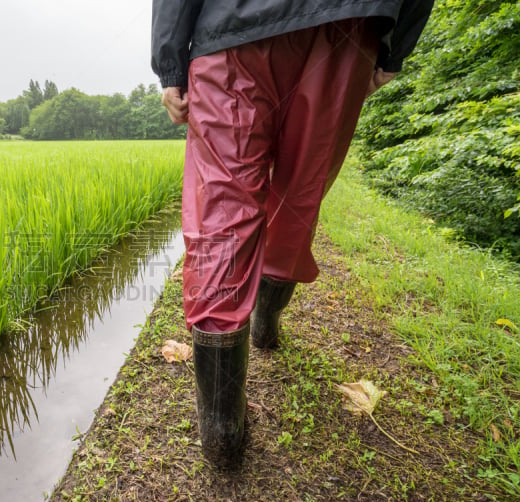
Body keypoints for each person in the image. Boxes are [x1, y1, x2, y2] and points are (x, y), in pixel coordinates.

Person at [152, 0, 434, 466]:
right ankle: (265, 323)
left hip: (232, 31)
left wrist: (169, 63)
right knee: (299, 193)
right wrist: (393, 50)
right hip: (346, 27)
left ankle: (221, 429)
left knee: (221, 216)